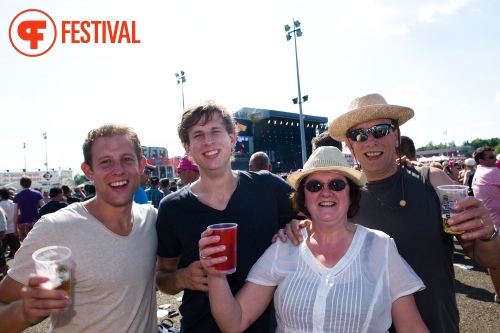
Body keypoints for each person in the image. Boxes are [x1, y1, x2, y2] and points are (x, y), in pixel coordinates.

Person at [281, 93, 500, 333]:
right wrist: (295, 230)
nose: (371, 141)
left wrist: (488, 233)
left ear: (395, 136)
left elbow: (488, 259)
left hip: (437, 325)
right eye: (360, 135)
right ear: (350, 144)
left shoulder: (433, 182)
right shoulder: (338, 195)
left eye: (381, 130)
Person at [199, 146, 429, 333]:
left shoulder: (380, 246)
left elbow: (412, 328)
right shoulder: (284, 247)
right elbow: (234, 322)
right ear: (304, 198)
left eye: (337, 185)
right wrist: (216, 275)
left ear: (351, 195)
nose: (325, 192)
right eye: (314, 186)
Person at [155, 100, 297, 333]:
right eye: (198, 135)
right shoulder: (172, 208)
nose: (208, 141)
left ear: (232, 138)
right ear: (187, 148)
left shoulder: (268, 187)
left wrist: (297, 223)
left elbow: (316, 219)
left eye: (215, 131)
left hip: (269, 326)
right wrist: (182, 278)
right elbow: (162, 276)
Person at [0, 124, 157, 332]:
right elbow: (3, 301)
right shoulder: (56, 228)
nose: (118, 170)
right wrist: (24, 313)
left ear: (141, 165)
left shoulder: (151, 218)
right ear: (88, 171)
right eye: (106, 161)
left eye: (127, 159)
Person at [472, 146, 500, 303]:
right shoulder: (492, 172)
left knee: (495, 263)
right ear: (480, 160)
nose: (495, 159)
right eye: (491, 157)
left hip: (489, 224)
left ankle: (499, 294)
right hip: (497, 223)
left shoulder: (478, 173)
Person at [13, 176, 45, 242]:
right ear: (30, 183)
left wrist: (15, 228)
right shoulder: (37, 194)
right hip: (35, 221)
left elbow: (15, 214)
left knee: (25, 244)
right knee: (36, 242)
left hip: (22, 222)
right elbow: (43, 208)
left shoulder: (18, 196)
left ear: (21, 184)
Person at [0, 188, 20, 259]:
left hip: (3, 231)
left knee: (2, 254)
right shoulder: (14, 204)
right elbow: (18, 215)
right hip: (13, 230)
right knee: (17, 254)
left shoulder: (0, 205)